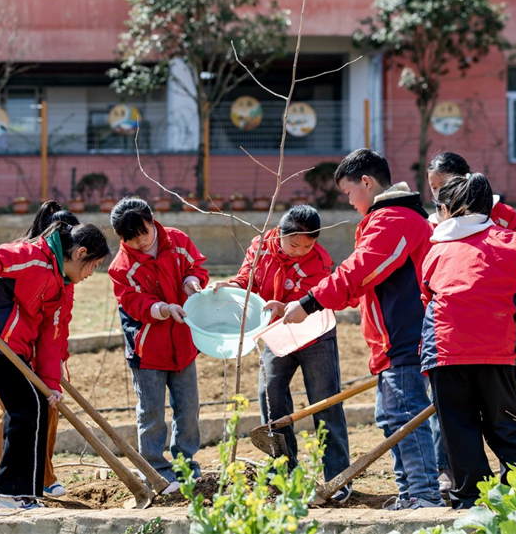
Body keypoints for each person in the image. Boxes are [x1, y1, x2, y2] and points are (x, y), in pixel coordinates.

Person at [282, 149, 444, 510]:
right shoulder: (394, 218)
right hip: (392, 340)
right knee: (393, 417)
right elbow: (364, 284)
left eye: (349, 192)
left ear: (367, 183)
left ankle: (424, 494)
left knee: (404, 414)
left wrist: (309, 302)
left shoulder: (394, 219)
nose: (350, 201)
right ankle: (410, 493)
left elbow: (359, 271)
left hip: (405, 336)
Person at [420, 172, 516, 509]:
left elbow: (428, 299)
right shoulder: (513, 240)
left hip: (446, 352)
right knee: (506, 426)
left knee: (459, 430)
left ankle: (472, 501)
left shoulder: (437, 250)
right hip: (496, 351)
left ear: (451, 209)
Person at [0, 219, 110, 510]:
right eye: (94, 266)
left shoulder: (59, 281)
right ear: (80, 253)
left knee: (38, 405)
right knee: (24, 410)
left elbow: (49, 339)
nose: (92, 273)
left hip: (17, 348)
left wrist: (52, 385)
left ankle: (24, 493)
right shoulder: (33, 257)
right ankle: (3, 494)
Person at [211, 206, 352, 503]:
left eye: (308, 245)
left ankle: (338, 477)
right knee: (270, 395)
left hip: (315, 335)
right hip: (277, 336)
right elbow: (246, 281)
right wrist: (230, 287)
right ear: (280, 234)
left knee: (325, 402)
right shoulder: (260, 247)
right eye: (294, 244)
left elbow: (308, 303)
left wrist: (282, 305)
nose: (300, 251)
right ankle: (284, 472)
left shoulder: (320, 261)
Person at [107, 197, 209, 494]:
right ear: (121, 238)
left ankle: (186, 465)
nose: (140, 242)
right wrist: (164, 309)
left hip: (184, 344)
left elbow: (197, 267)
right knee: (151, 413)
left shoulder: (177, 241)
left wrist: (192, 282)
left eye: (144, 233)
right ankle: (155, 469)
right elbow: (134, 303)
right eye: (132, 239)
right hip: (148, 348)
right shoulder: (121, 268)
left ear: (152, 221)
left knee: (188, 409)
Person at [0, 201, 79, 499]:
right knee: (11, 414)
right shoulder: (26, 259)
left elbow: (59, 317)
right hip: (10, 349)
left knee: (47, 413)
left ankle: (41, 475)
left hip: (43, 352)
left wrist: (56, 357)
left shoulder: (66, 270)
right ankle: (2, 480)